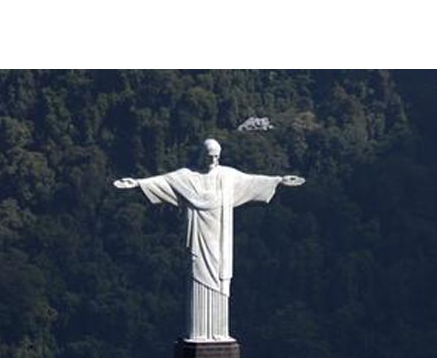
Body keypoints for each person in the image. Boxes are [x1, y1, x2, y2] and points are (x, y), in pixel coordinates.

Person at [114, 138, 304, 341]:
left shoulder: (228, 176)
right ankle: (199, 334)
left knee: (221, 283)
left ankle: (219, 334)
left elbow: (252, 181)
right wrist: (138, 184)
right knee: (198, 278)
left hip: (221, 241)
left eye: (216, 156)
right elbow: (163, 182)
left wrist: (279, 181)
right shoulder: (186, 177)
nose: (213, 160)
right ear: (201, 155)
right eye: (209, 156)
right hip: (198, 239)